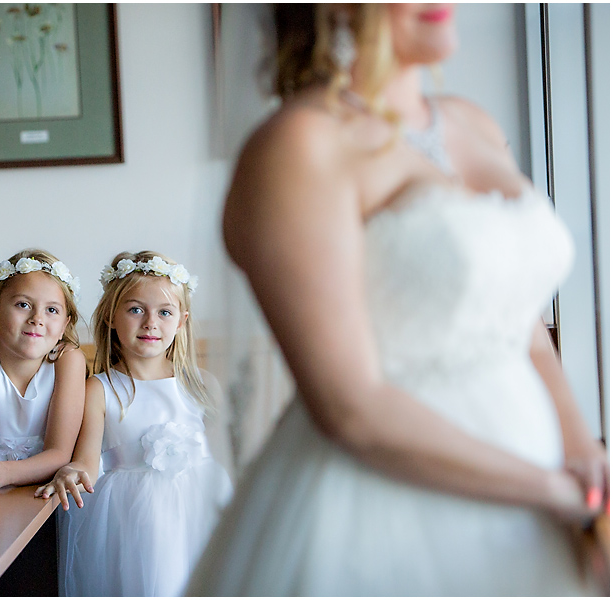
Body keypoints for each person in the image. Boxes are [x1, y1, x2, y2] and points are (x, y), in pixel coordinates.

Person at [187, 4, 608, 596]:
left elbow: (516, 317)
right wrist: (549, 491)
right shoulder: (298, 146)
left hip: (542, 486)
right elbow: (350, 406)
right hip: (389, 507)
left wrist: (580, 447)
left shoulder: (473, 124)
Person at [37, 251, 232, 597]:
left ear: (182, 321)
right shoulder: (100, 388)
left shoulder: (201, 385)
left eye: (165, 312)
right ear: (111, 317)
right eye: (136, 309)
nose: (150, 323)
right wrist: (71, 471)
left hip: (198, 513)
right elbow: (86, 461)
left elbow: (222, 458)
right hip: (131, 520)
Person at [0, 249, 85, 496]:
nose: (37, 318)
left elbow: (59, 454)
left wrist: (3, 473)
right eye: (23, 305)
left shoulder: (68, 362)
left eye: (52, 310)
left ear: (65, 324)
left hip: (45, 496)